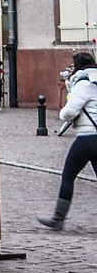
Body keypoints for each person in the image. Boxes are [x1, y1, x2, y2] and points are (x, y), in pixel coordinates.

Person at [41, 51, 97, 231]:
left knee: (68, 176)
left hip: (87, 136)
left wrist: (62, 114)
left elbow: (70, 110)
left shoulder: (83, 82)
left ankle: (58, 218)